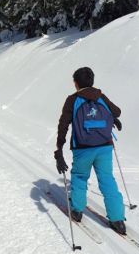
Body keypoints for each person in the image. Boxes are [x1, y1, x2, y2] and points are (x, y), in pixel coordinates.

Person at [53, 67, 126, 234]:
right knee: (107, 180)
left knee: (79, 177)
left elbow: (63, 124)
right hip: (105, 146)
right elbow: (117, 111)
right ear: (92, 80)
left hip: (82, 148)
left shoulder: (72, 100)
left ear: (76, 83)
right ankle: (117, 219)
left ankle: (77, 210)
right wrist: (112, 118)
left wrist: (59, 149)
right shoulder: (100, 96)